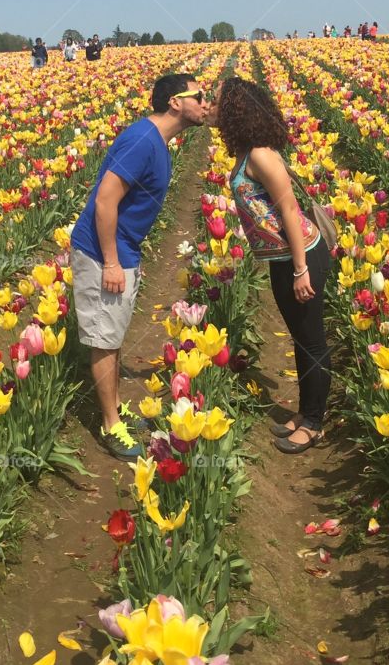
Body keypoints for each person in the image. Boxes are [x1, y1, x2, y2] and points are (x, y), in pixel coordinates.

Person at [70, 75, 208, 458]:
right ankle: (111, 426)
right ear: (175, 102)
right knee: (103, 338)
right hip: (102, 253)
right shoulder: (143, 140)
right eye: (199, 96)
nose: (205, 102)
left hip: (122, 250)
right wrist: (112, 262)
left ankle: (115, 410)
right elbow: (105, 200)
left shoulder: (158, 142)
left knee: (111, 335)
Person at [207, 77, 331, 453]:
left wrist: (299, 268)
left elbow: (289, 210)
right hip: (283, 259)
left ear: (234, 110)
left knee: (311, 339)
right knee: (299, 336)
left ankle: (314, 423)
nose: (210, 106)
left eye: (216, 102)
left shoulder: (260, 154)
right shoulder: (247, 152)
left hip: (303, 255)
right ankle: (305, 411)